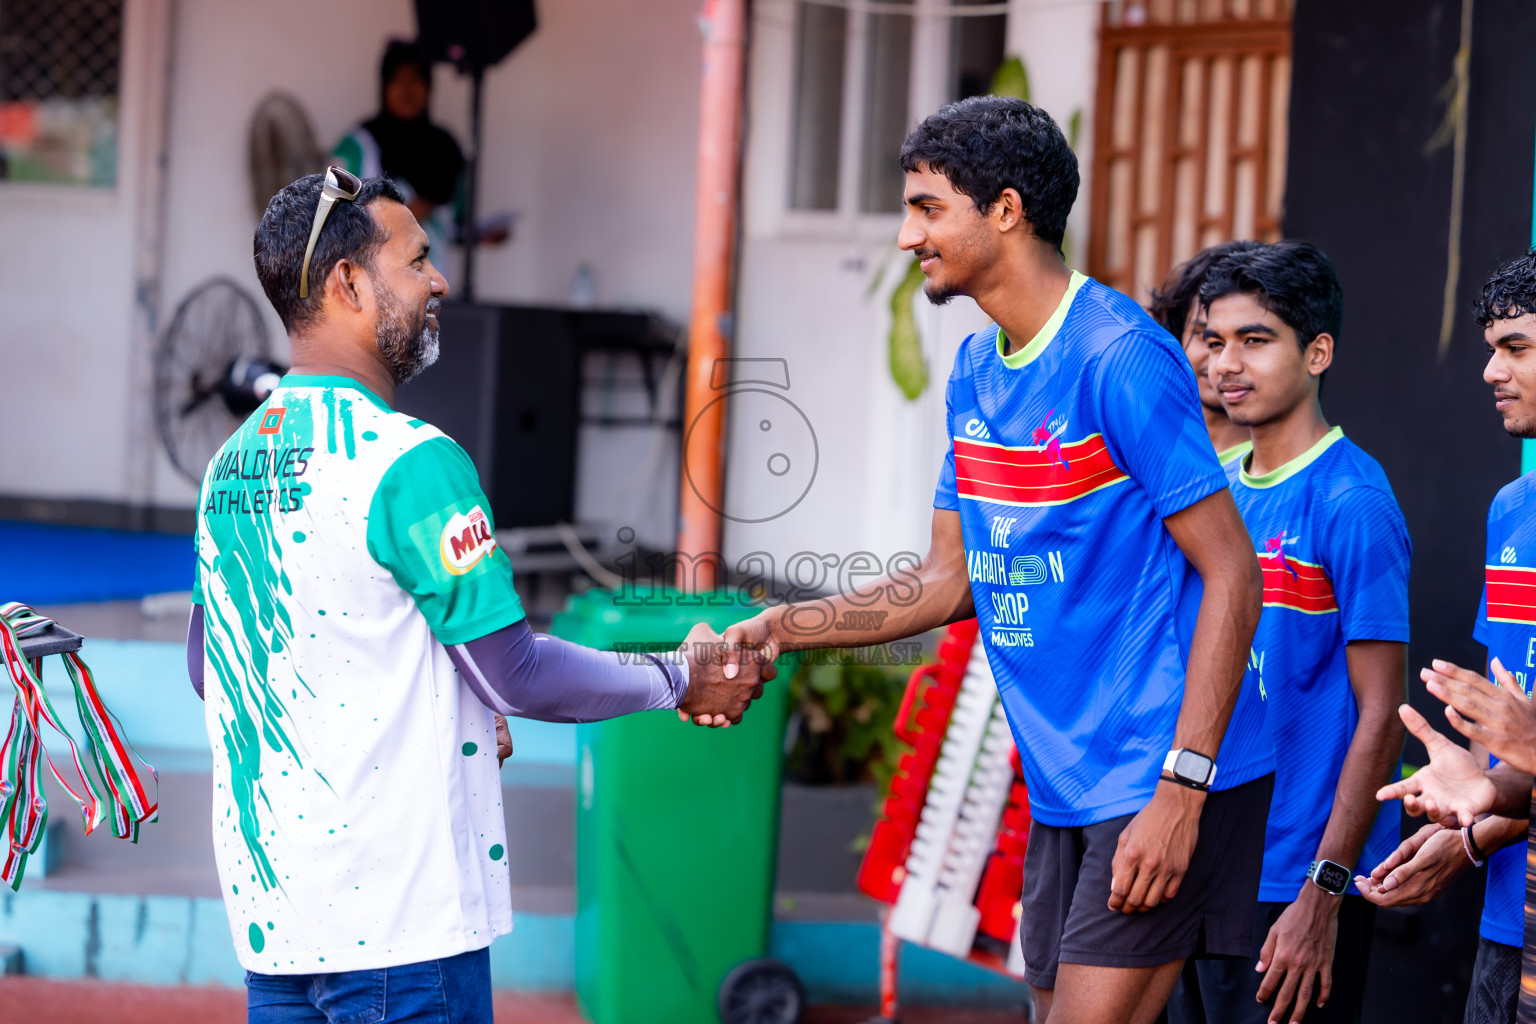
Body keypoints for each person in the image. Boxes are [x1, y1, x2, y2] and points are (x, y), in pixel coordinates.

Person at [722, 96, 1269, 1024]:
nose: (907, 237)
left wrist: (1184, 787)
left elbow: (1234, 573)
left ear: (1006, 210)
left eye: (927, 208)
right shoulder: (978, 368)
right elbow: (947, 581)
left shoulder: (1120, 357)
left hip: (1156, 768)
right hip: (1064, 782)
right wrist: (780, 627)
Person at [186, 169, 768, 1023]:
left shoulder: (229, 465)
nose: (440, 282)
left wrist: (439, 702)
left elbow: (213, 670)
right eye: (417, 259)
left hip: (276, 925)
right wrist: (681, 676)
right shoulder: (409, 461)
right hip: (402, 937)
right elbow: (514, 674)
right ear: (348, 283)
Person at [1164, 242, 1410, 1024]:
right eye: (1214, 340)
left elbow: (1382, 715)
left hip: (1294, 888)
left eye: (1255, 339)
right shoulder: (1217, 493)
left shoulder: (1352, 501)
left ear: (1318, 352)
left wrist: (1323, 892)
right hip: (1200, 864)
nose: (1226, 363)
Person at [1363, 250, 1536, 1024]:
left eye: (1516, 347)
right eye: (1492, 348)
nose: (1491, 372)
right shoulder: (1513, 510)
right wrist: (1475, 814)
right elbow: (1512, 735)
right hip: (1509, 919)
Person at [333, 41, 503, 289]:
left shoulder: (446, 150)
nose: (407, 89)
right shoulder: (358, 147)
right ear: (384, 86)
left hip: (433, 291)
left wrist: (478, 237)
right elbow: (330, 221)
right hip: (371, 291)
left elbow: (453, 224)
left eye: (416, 79)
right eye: (398, 79)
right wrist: (400, 215)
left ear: (429, 86)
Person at [1149, 241, 1264, 464]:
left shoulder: (1281, 469)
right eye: (1208, 337)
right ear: (1176, 336)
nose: (1225, 362)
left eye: (1250, 339)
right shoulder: (1139, 441)